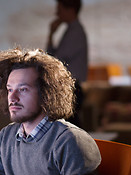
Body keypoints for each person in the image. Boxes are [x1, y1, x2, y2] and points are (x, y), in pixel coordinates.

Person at [46, 0, 88, 128]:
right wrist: (51, 34)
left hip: (71, 86)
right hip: (71, 85)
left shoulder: (75, 32)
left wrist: (51, 33)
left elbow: (53, 60)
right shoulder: (72, 30)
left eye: (59, 9)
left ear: (70, 10)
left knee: (69, 126)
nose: (57, 13)